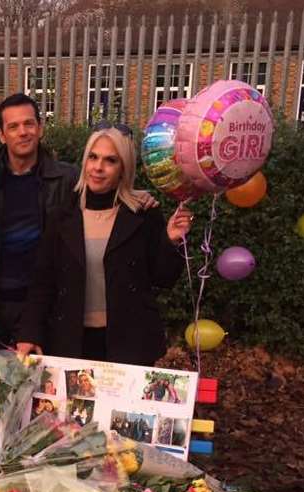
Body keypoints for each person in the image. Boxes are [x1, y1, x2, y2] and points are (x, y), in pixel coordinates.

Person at [0, 94, 158, 357]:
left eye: (29, 124)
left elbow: (108, 193)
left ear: (40, 128)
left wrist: (137, 195)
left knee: (42, 391)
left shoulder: (69, 180)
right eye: (13, 126)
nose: (23, 132)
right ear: (1, 135)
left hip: (48, 307)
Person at [16, 122, 193, 366]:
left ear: (123, 168)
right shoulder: (62, 214)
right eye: (93, 157)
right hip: (70, 341)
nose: (98, 167)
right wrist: (29, 333)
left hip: (128, 344)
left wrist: (171, 240)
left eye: (110, 160)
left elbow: (163, 277)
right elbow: (43, 282)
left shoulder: (142, 213)